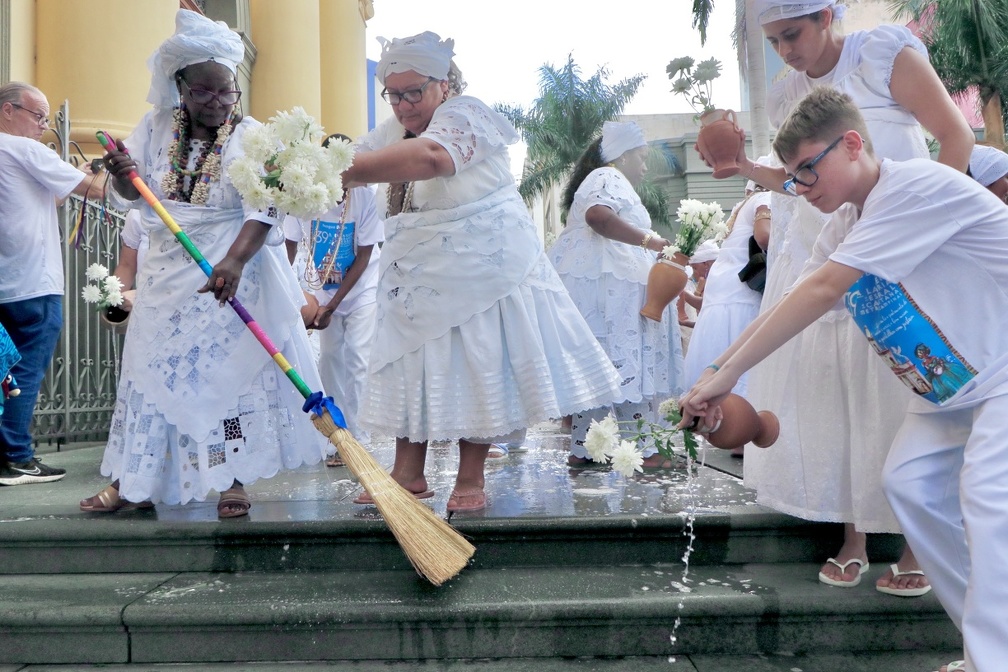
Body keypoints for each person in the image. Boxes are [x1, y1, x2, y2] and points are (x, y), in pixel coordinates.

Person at [680, 85, 1008, 672]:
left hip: (1002, 367)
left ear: (853, 143)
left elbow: (826, 288)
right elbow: (792, 301)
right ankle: (989, 648)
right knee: (909, 485)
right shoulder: (847, 222)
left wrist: (723, 375)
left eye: (809, 168)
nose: (802, 186)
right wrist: (714, 377)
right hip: (954, 382)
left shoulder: (912, 188)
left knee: (986, 500)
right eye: (793, 175)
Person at [703, 0, 975, 594]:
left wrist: (929, 230)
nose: (786, 50)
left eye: (792, 34)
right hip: (823, 238)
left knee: (902, 383)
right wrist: (744, 166)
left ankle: (916, 545)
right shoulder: (785, 92)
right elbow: (799, 181)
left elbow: (954, 137)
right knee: (836, 385)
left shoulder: (884, 53)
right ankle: (852, 532)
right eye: (773, 41)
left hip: (899, 238)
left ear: (828, 15)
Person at [343, 31, 621, 513]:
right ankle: (407, 473)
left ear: (444, 85)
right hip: (418, 276)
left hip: (482, 271)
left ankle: (470, 475)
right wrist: (304, 166)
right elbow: (359, 154)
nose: (405, 105)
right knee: (415, 363)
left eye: (415, 92)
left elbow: (433, 159)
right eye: (395, 94)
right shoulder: (393, 130)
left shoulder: (468, 113)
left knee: (479, 361)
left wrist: (342, 169)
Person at [82, 9, 327, 517]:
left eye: (227, 91)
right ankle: (135, 481)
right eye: (205, 92)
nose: (218, 102)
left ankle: (232, 480)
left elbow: (263, 207)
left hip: (233, 270)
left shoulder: (250, 135)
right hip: (168, 273)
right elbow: (134, 196)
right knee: (151, 372)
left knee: (229, 378)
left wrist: (235, 262)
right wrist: (123, 173)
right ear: (181, 87)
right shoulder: (153, 128)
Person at [548, 121, 686, 468]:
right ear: (622, 156)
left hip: (604, 288)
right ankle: (644, 451)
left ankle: (586, 449)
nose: (642, 167)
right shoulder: (607, 177)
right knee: (625, 358)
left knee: (601, 363)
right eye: (639, 158)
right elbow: (598, 216)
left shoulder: (603, 178)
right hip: (610, 293)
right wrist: (650, 240)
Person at [0, 81, 107, 486]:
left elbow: (41, 202)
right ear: (9, 110)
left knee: (4, 370)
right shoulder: (23, 148)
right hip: (34, 281)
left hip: (6, 281)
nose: (43, 127)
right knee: (24, 371)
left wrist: (69, 178)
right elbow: (96, 190)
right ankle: (18, 457)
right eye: (38, 116)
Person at [282, 133, 384, 464]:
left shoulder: (365, 199)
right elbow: (289, 245)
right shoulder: (306, 197)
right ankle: (336, 435)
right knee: (328, 362)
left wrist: (333, 306)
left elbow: (365, 255)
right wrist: (290, 292)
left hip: (360, 290)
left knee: (358, 359)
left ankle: (359, 436)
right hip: (320, 289)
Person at [683, 183, 771, 457]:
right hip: (743, 290)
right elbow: (765, 236)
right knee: (746, 353)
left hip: (723, 290)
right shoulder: (766, 198)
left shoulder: (739, 206)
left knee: (725, 349)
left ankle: (727, 428)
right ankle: (741, 435)